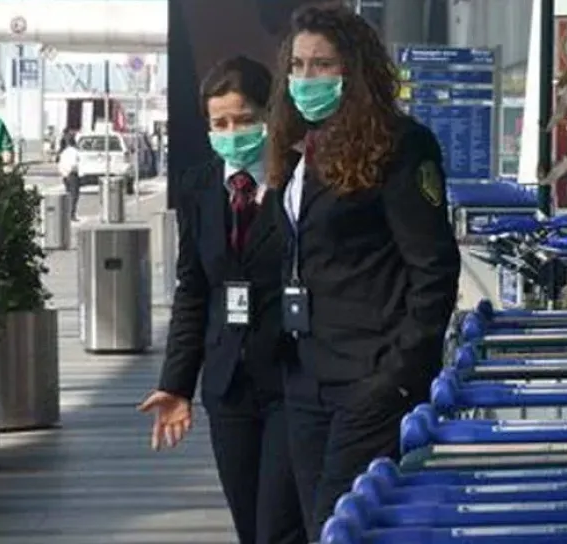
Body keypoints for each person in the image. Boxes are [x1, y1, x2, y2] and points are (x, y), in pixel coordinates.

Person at [264, 5, 462, 537]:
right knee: (315, 527)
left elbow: (434, 268)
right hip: (307, 376)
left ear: (353, 69)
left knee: (343, 526)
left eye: (322, 64)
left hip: (371, 378)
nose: (306, 77)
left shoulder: (400, 145)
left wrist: (396, 376)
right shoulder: (299, 149)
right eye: (298, 65)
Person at [138, 55, 307, 544]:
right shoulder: (198, 186)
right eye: (221, 123)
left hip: (291, 375)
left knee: (280, 527)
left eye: (245, 119)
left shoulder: (299, 180)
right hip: (228, 382)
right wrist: (176, 384)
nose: (233, 132)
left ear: (270, 116)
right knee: (250, 526)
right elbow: (193, 290)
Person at [57, 133, 80, 221]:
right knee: (74, 195)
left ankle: (67, 213)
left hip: (65, 175)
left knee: (68, 194)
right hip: (73, 174)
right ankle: (72, 214)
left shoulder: (63, 152)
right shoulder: (74, 151)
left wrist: (64, 174)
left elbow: (60, 165)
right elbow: (74, 164)